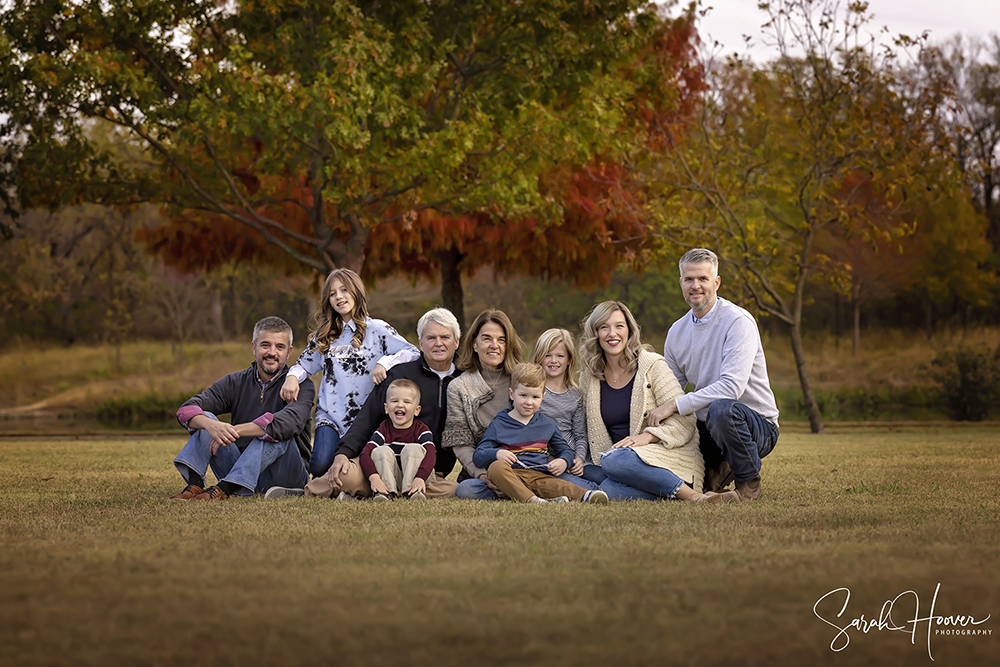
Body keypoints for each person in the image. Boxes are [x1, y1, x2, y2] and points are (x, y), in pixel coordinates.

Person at [275, 308, 462, 500]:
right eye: (431, 338)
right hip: (384, 464)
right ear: (421, 343)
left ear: (456, 342)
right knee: (344, 473)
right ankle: (308, 492)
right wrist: (343, 453)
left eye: (445, 337)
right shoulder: (399, 374)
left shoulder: (464, 378)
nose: (438, 343)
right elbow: (368, 417)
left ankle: (376, 493)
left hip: (425, 472)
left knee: (458, 490)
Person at [651, 248, 779, 501]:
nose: (695, 286)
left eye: (703, 279)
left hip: (755, 426)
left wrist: (675, 405)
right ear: (681, 283)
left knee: (722, 409)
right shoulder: (677, 331)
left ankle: (748, 482)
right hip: (707, 428)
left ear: (716, 282)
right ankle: (716, 471)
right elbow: (669, 388)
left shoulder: (738, 321)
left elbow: (732, 388)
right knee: (697, 474)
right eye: (689, 279)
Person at [579, 301, 734, 503]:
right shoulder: (589, 377)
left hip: (661, 459)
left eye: (619, 326)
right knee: (595, 475)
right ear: (595, 333)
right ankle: (663, 492)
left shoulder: (652, 366)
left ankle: (694, 497)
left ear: (629, 331)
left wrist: (647, 437)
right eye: (604, 327)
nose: (612, 333)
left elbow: (685, 422)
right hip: (617, 465)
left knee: (613, 460)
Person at [279, 268, 418, 479]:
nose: (339, 297)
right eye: (333, 293)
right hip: (331, 417)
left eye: (344, 290)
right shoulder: (325, 335)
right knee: (319, 467)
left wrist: (385, 362)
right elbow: (303, 365)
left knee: (367, 465)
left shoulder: (377, 329)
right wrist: (291, 377)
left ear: (356, 292)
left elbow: (412, 352)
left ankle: (347, 478)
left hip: (366, 418)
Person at [169, 316, 315, 501]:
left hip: (286, 475)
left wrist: (236, 429)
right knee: (205, 417)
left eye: (280, 347)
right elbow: (186, 410)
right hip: (239, 470)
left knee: (274, 431)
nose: (272, 352)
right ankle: (195, 485)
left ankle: (224, 488)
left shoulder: (301, 385)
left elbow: (288, 424)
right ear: (254, 347)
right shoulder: (235, 382)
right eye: (265, 345)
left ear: (289, 352)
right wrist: (210, 425)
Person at [472, 363, 609, 504]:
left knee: (560, 485)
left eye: (535, 397)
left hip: (539, 477)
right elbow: (478, 456)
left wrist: (564, 461)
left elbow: (565, 450)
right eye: (523, 395)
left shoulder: (547, 424)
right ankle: (534, 500)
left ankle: (588, 496)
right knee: (495, 468)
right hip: (511, 475)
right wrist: (496, 454)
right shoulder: (499, 423)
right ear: (512, 394)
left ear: (543, 396)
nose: (528, 402)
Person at [530, 328, 600, 484]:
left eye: (560, 356)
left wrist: (579, 459)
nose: (553, 361)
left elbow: (581, 436)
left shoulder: (576, 396)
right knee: (577, 484)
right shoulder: (533, 394)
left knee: (602, 477)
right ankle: (589, 491)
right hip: (550, 462)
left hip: (577, 461)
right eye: (547, 355)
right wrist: (556, 461)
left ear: (569, 359)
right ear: (539, 358)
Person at [359, 379, 436, 501]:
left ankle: (413, 493)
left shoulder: (422, 429)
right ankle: (385, 493)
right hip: (393, 478)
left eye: (407, 401)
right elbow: (365, 454)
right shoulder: (383, 429)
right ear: (386, 408)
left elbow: (431, 453)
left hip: (419, 477)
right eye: (394, 401)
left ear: (417, 410)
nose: (400, 405)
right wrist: (374, 478)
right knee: (380, 451)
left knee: (413, 448)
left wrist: (420, 478)